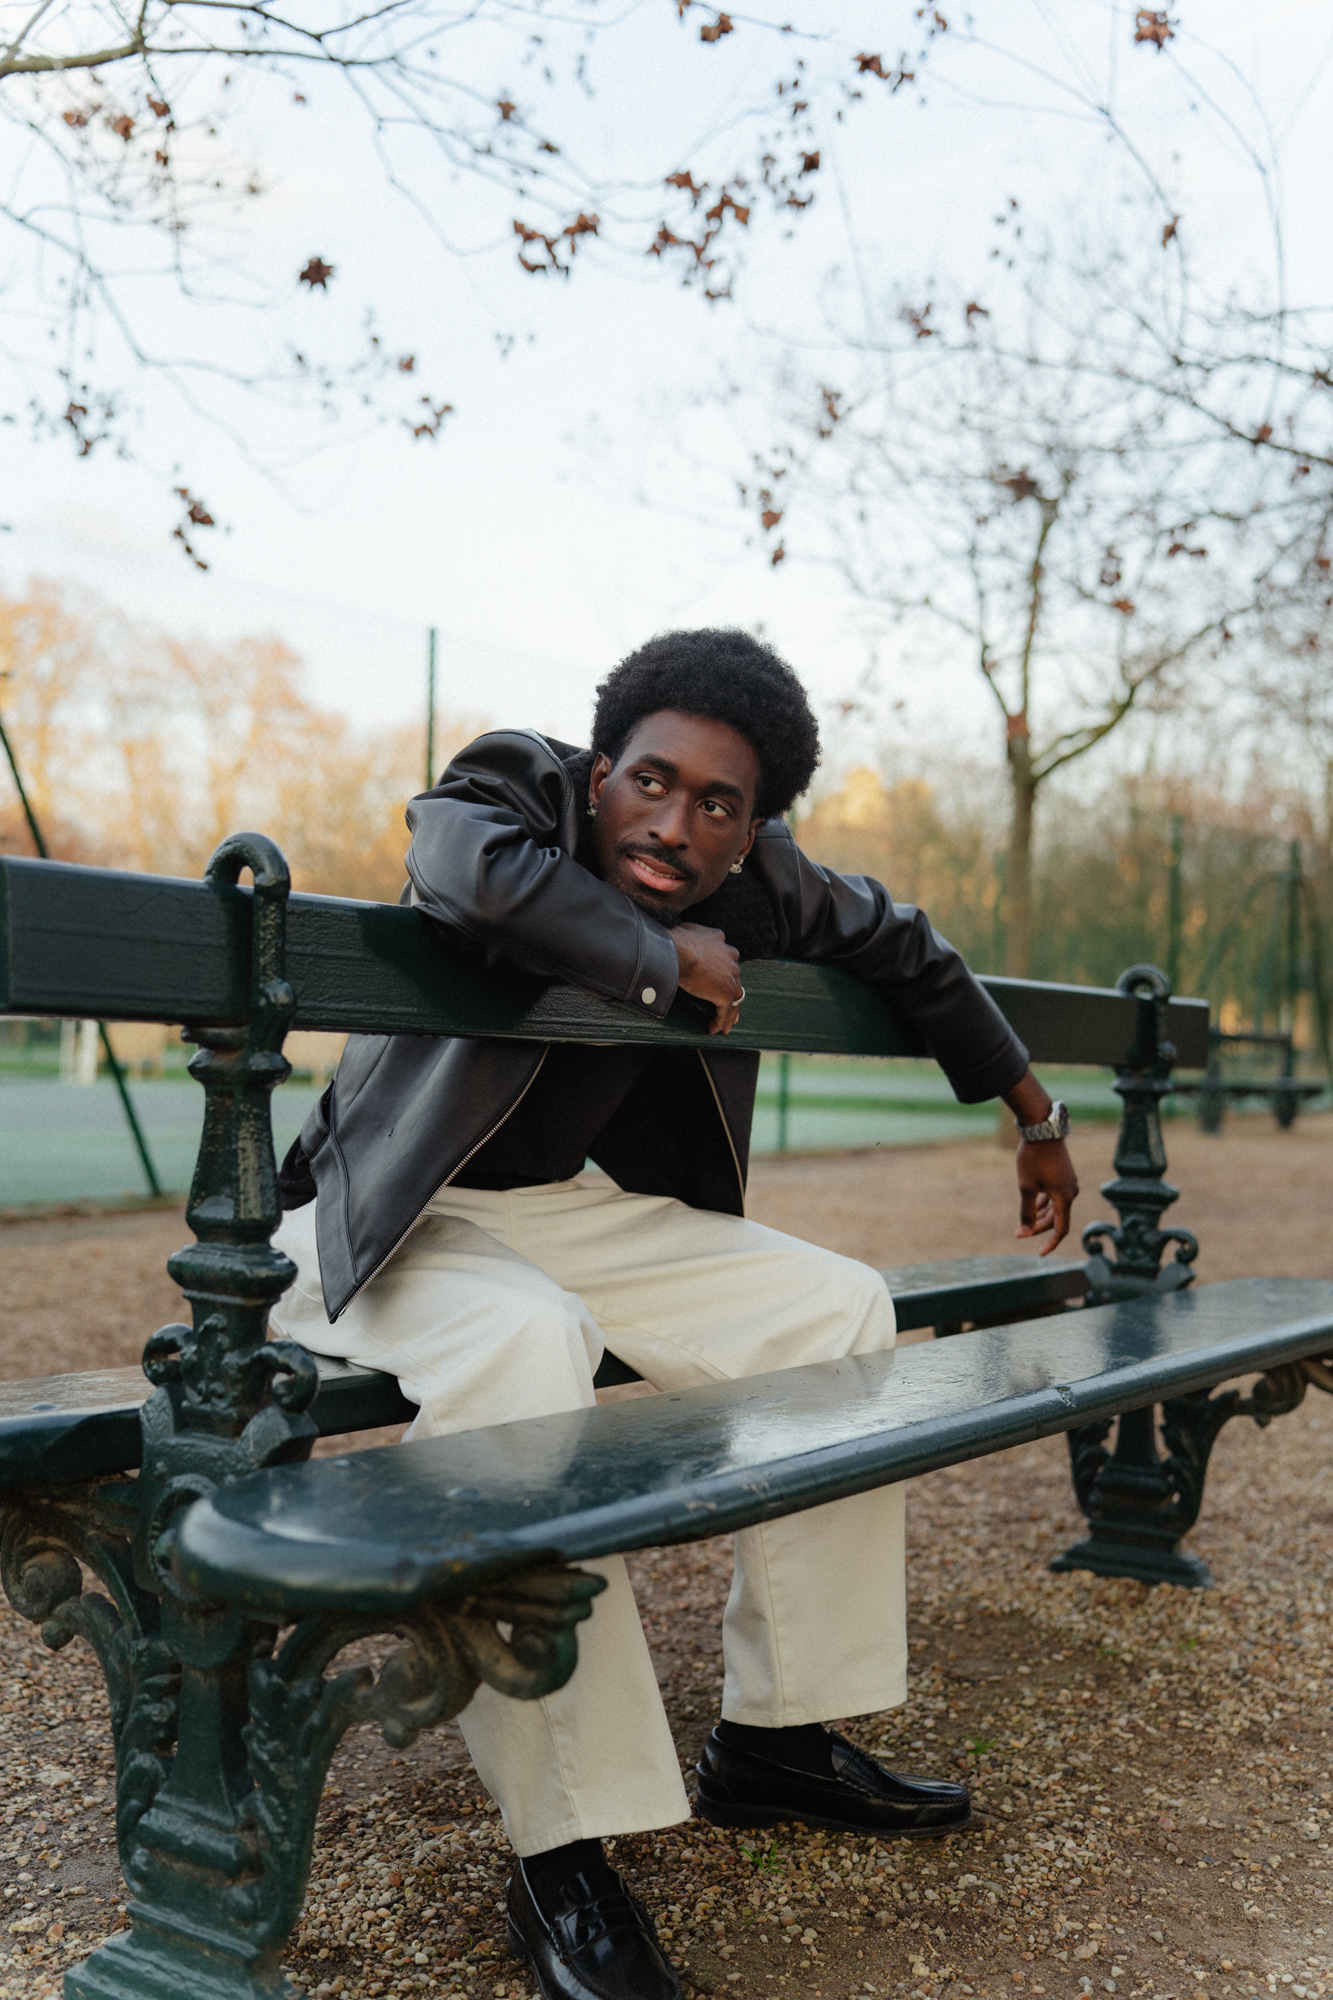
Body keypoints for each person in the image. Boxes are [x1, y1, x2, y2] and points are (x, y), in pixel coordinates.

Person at [272, 627, 1079, 2000]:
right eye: (651, 782)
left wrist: (1036, 1116)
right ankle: (561, 1844)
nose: (674, 823)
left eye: (718, 804)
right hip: (376, 1205)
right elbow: (461, 874)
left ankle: (777, 1737)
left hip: (548, 1209)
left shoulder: (762, 882)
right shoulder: (514, 786)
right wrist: (661, 963)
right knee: (526, 1339)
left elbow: (911, 950)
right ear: (601, 773)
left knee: (834, 1308)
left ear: (750, 827)